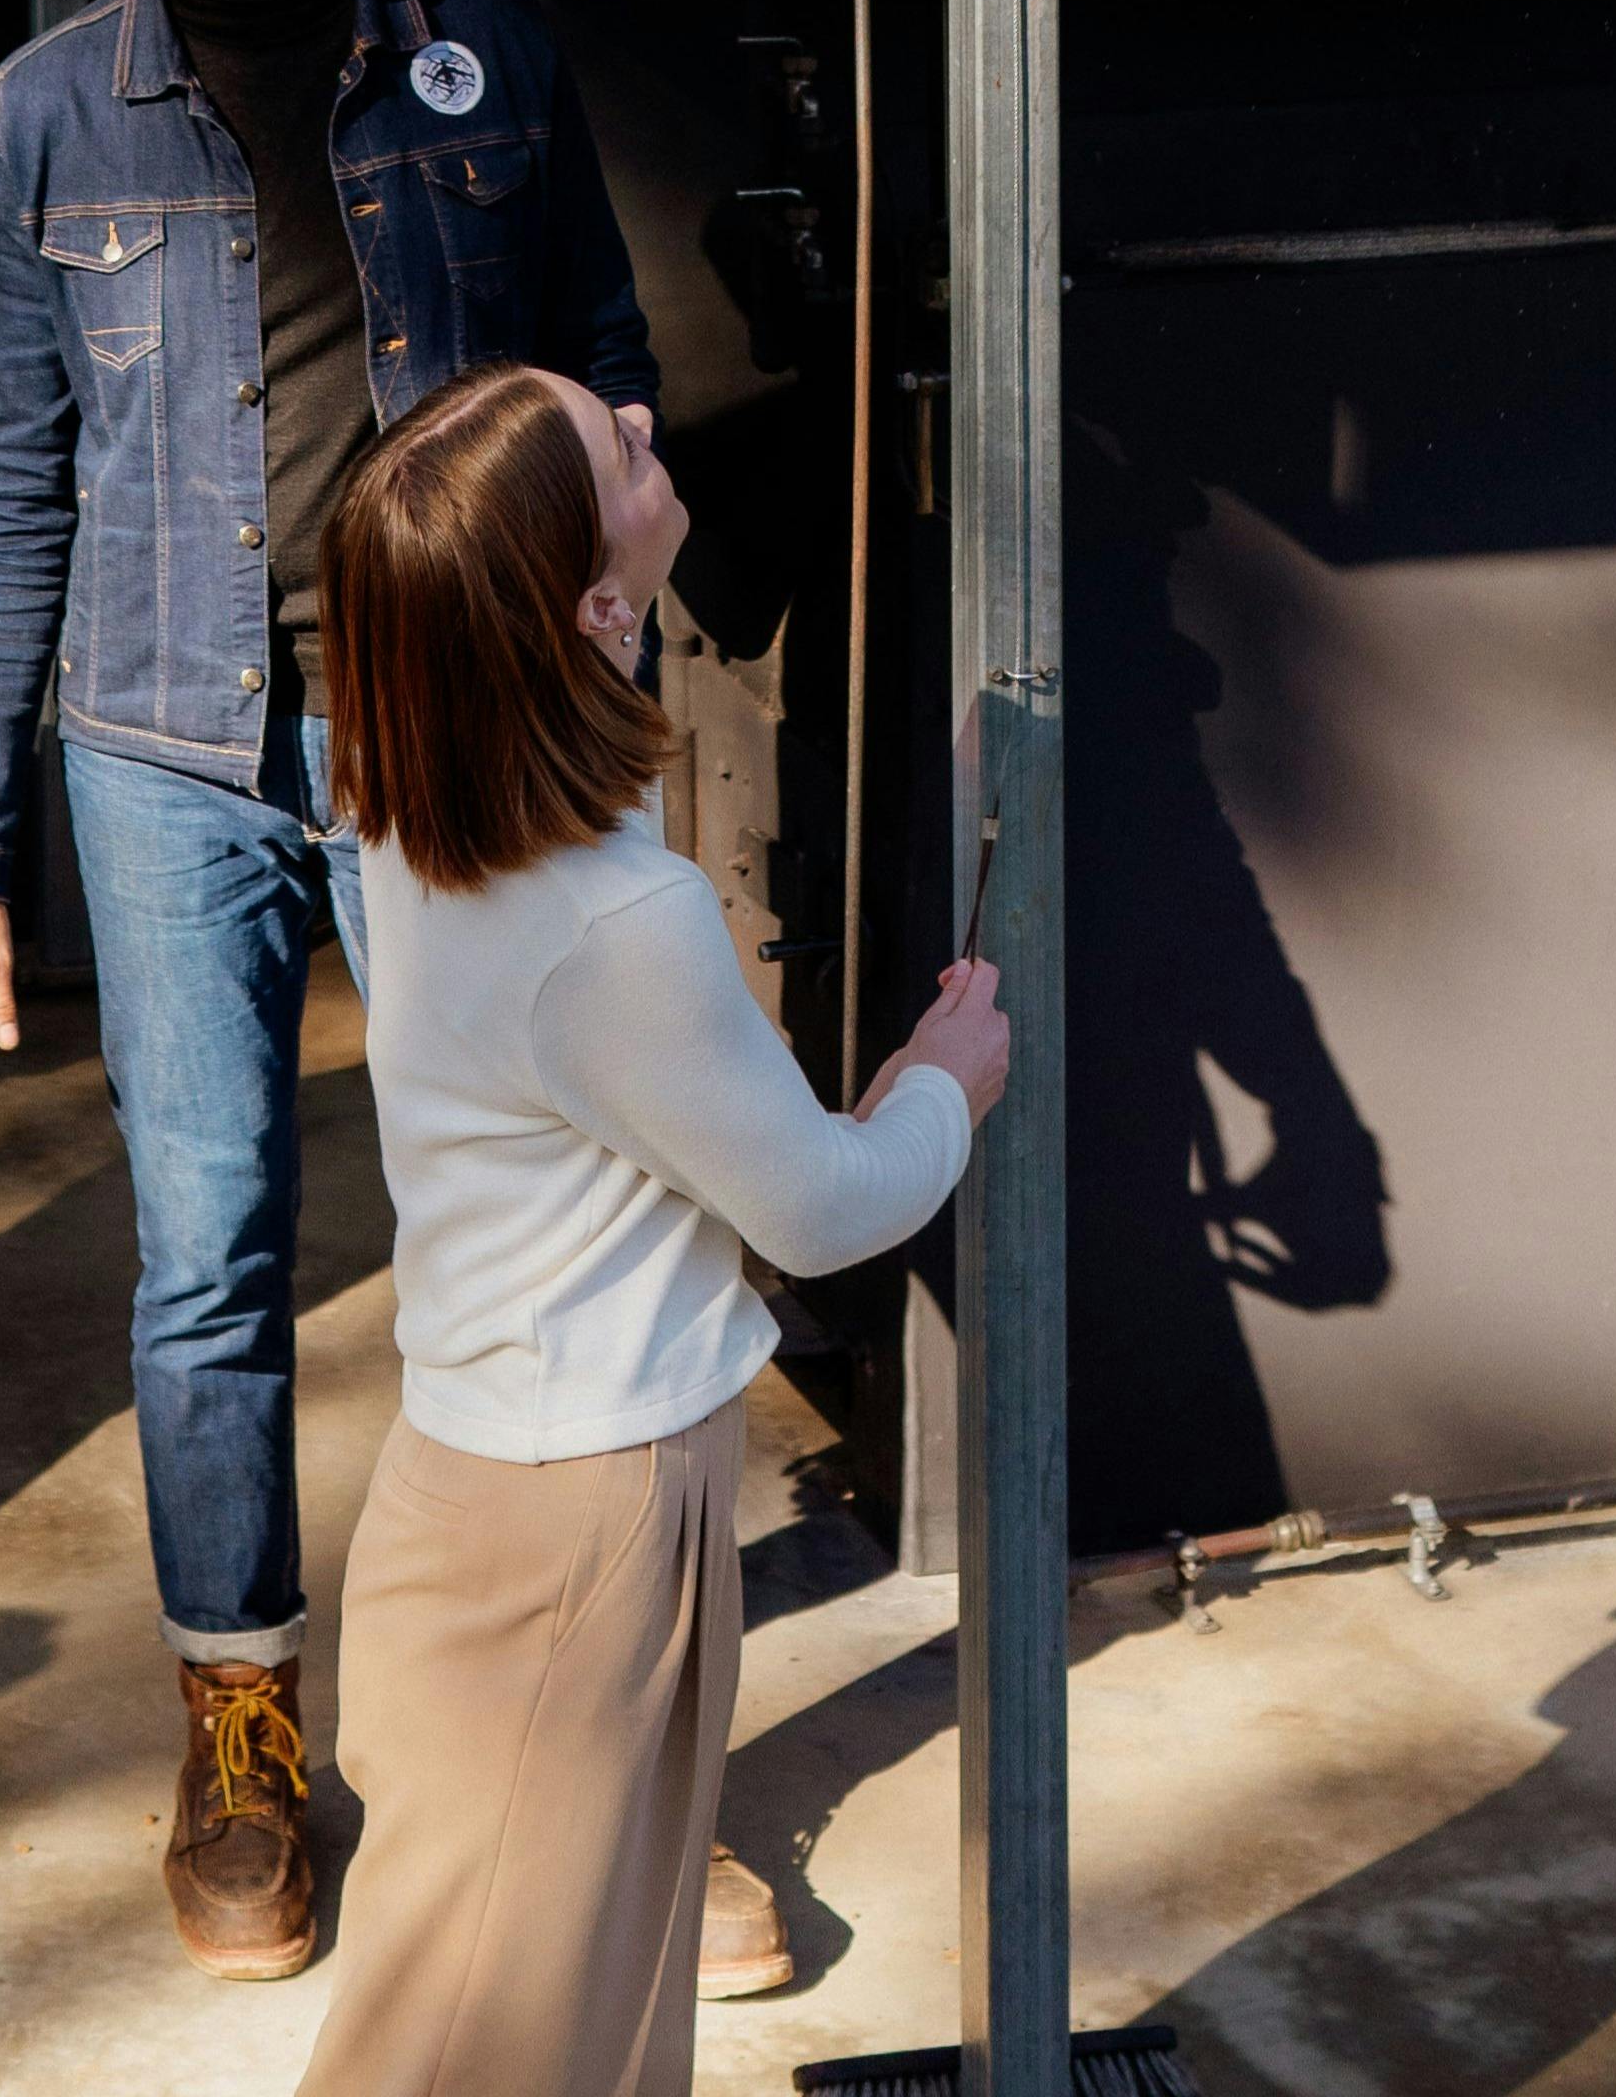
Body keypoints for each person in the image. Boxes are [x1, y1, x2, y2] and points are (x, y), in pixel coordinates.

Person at [0, 0, 669, 1982]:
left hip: (448, 728)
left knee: (520, 1236)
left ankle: (572, 1745)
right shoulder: (53, 113)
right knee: (213, 1251)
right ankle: (241, 1724)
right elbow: (7, 483)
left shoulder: (475, 44)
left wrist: (603, 651)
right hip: (164, 757)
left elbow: (602, 367)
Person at [301, 367, 1002, 2097]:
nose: (638, 415)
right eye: (610, 445)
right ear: (594, 610)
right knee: (484, 2058)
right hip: (576, 1530)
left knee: (570, 2038)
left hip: (518, 1499)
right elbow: (820, 1210)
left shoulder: (434, 804)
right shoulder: (614, 917)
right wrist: (943, 1086)